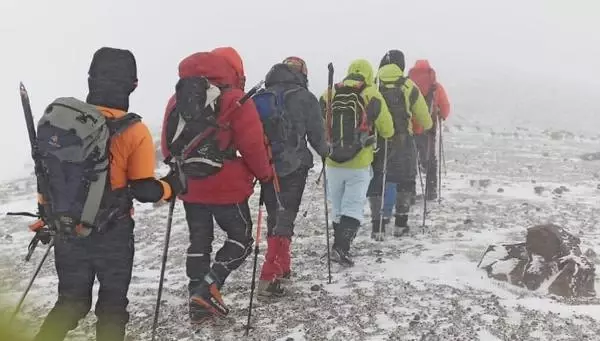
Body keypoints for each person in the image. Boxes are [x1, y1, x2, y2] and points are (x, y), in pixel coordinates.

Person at [34, 47, 180, 341]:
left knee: (70, 303)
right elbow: (144, 190)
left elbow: (48, 178)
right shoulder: (134, 130)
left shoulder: (62, 124)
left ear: (90, 79)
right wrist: (172, 185)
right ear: (133, 85)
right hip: (113, 232)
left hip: (67, 228)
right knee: (112, 307)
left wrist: (45, 215)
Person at [161, 47, 273, 323]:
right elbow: (253, 146)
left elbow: (167, 147)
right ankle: (208, 287)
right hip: (228, 187)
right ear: (235, 70)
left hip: (190, 186)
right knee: (241, 238)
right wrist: (266, 175)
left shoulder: (177, 99)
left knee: (199, 240)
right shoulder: (236, 99)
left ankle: (196, 300)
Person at [255, 57, 329, 296]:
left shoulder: (262, 96)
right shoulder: (305, 98)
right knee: (285, 218)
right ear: (302, 74)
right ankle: (268, 277)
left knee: (276, 215)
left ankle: (283, 266)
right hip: (293, 167)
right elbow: (317, 136)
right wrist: (329, 153)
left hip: (266, 166)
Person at [321, 59, 394, 266]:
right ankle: (341, 247)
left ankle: (338, 244)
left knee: (337, 205)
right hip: (359, 162)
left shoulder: (330, 93)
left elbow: (318, 122)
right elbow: (387, 129)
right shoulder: (371, 94)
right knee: (352, 206)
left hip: (333, 161)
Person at [367, 50, 433, 240]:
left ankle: (377, 227)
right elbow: (425, 120)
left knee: (378, 180)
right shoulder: (408, 86)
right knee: (405, 180)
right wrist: (425, 127)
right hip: (404, 141)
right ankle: (400, 225)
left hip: (378, 142)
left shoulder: (373, 85)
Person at [408, 59, 450, 201]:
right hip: (429, 131)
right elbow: (445, 107)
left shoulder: (409, 85)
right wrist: (441, 115)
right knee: (430, 161)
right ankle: (431, 192)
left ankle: (409, 193)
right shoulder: (435, 87)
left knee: (411, 162)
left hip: (410, 130)